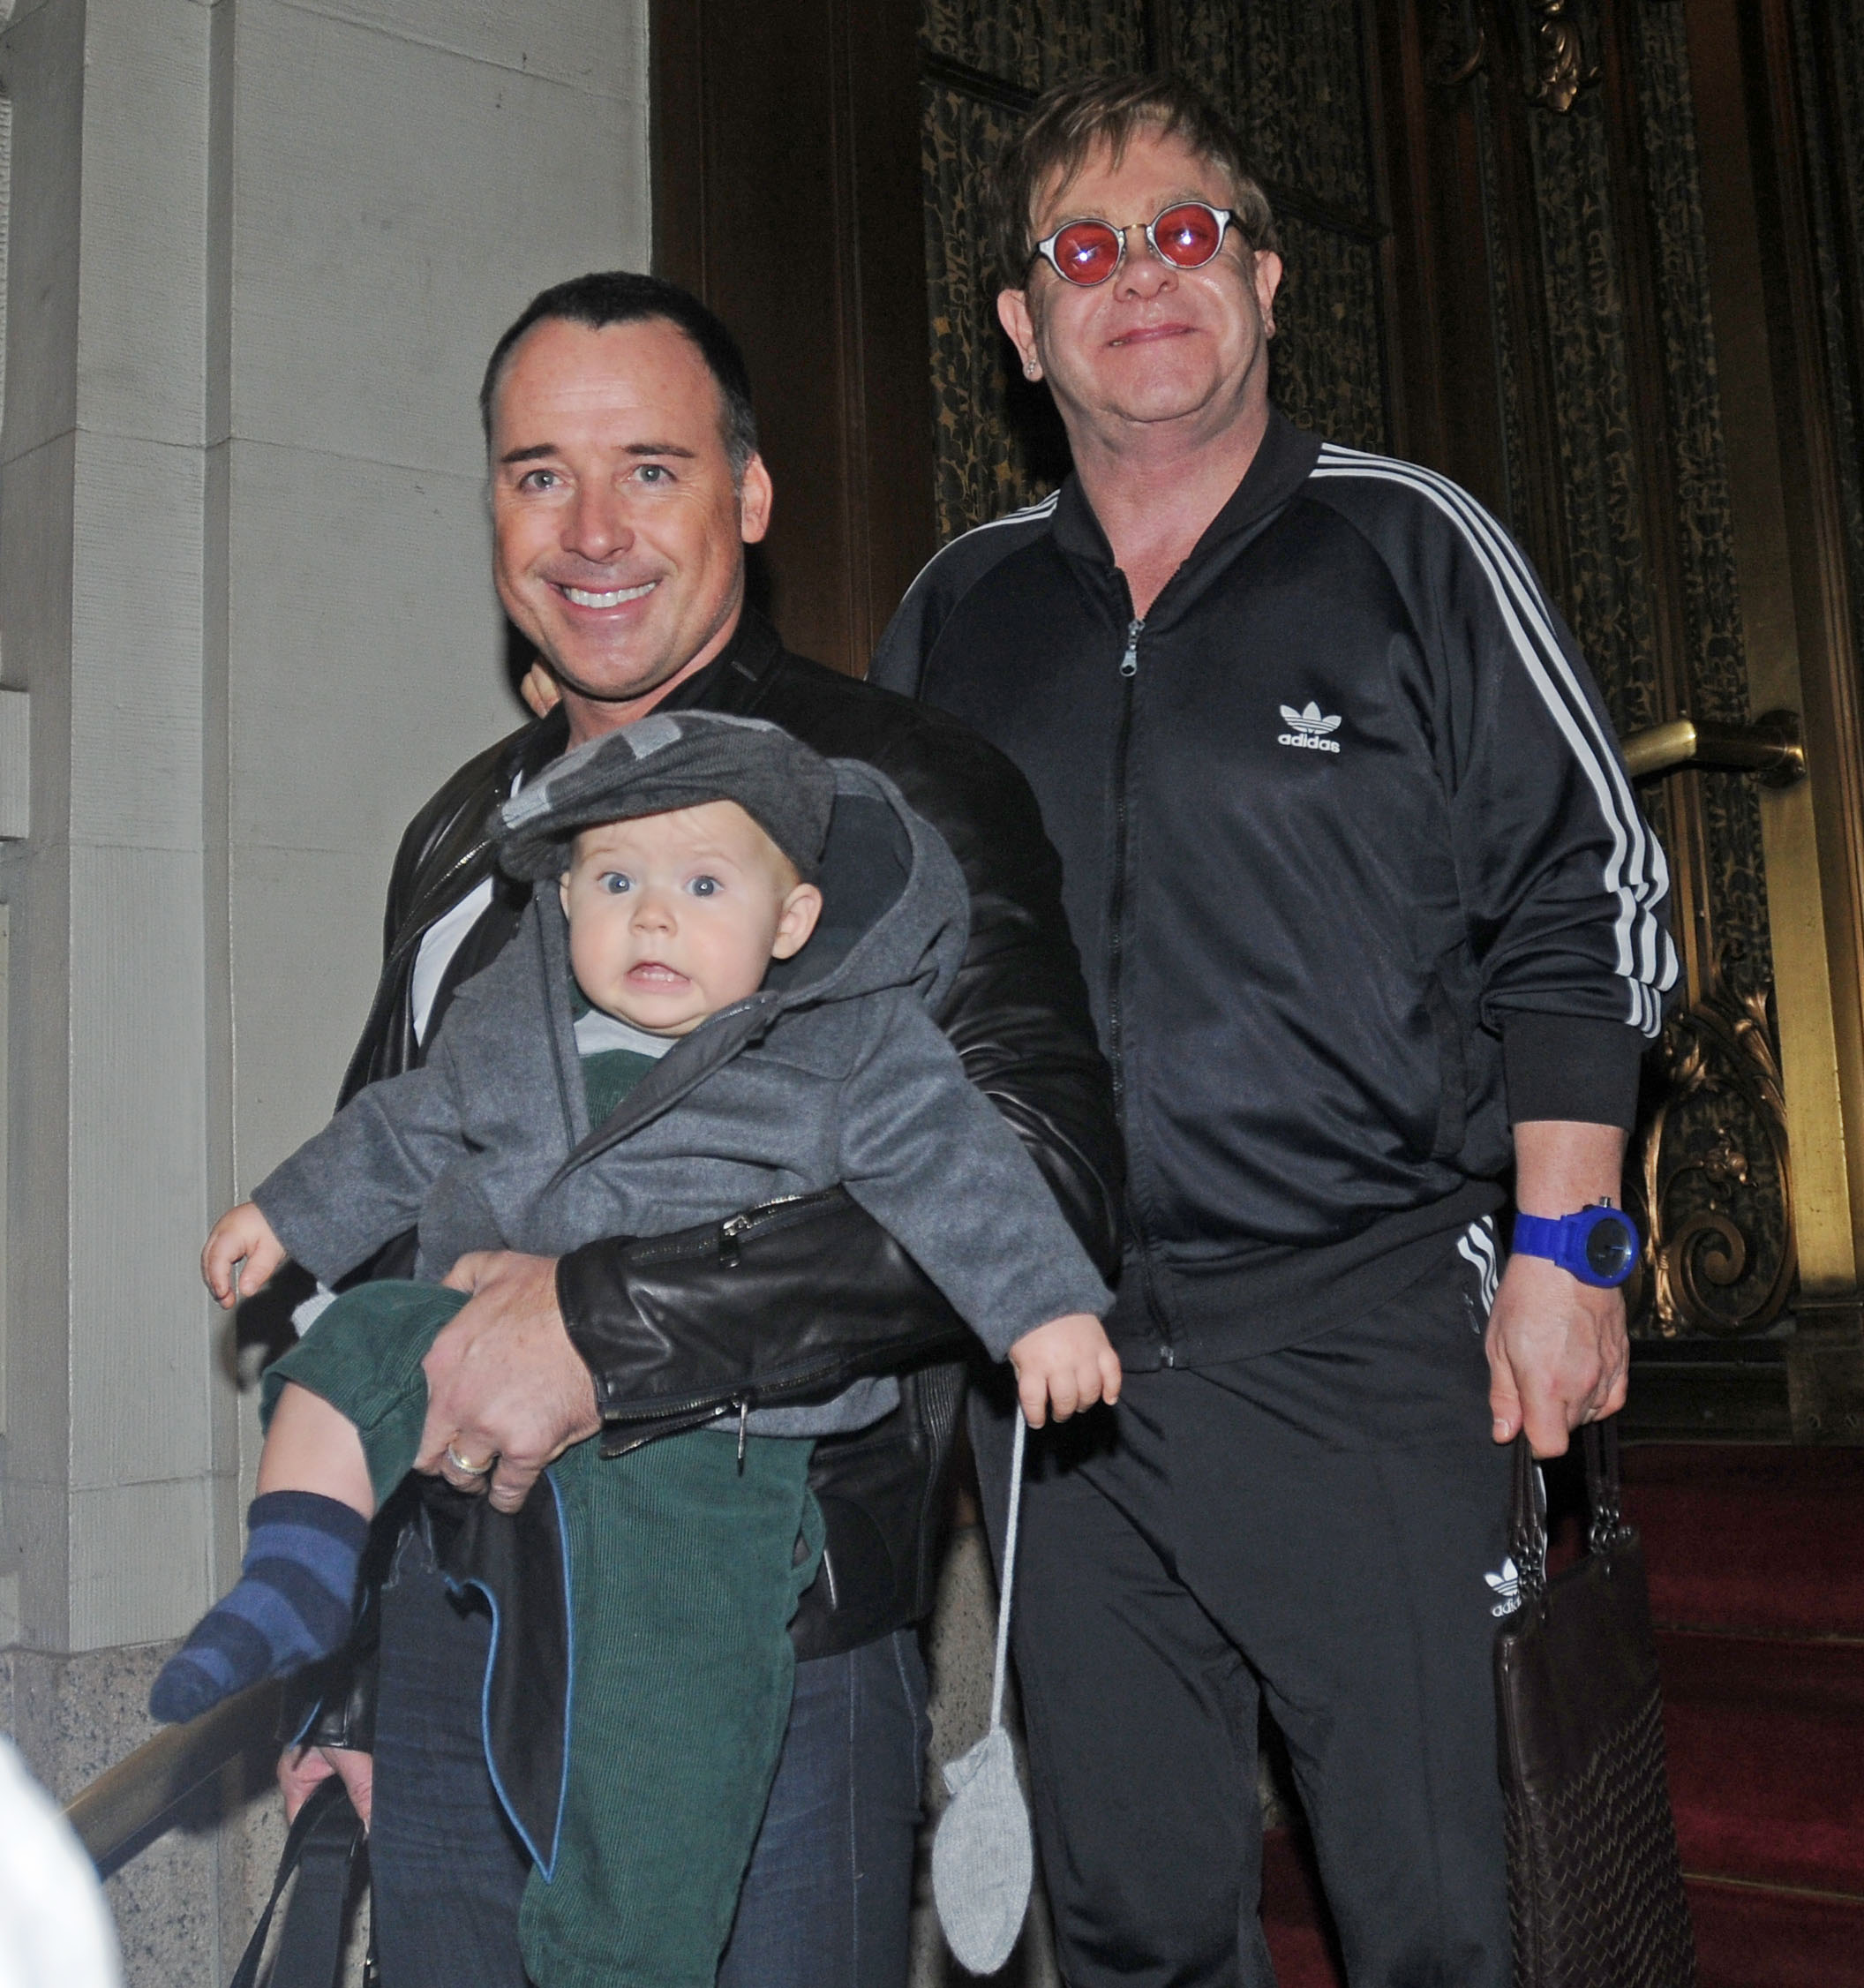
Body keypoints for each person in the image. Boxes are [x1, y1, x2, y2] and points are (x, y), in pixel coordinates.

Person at [869, 72, 1676, 1988]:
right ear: (1020, 325)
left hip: (1375, 1352)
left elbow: (1592, 894)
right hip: (1062, 1397)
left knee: (1444, 1927)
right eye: (1085, 249)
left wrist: (1568, 1252)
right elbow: (885, 974)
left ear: (1265, 277)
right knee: (1136, 1924)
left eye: (1186, 236)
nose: (1140, 278)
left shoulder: (1412, 547)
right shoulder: (957, 612)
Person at [277, 272, 1122, 1988]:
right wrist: (341, 1667)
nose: (591, 528)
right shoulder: (464, 839)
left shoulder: (907, 797)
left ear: (747, 494)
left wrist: (603, 1327)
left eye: (649, 469)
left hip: (761, 1639)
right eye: (537, 474)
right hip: (453, 1634)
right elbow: (377, 1238)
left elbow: (1042, 1183)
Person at [155, 714, 1117, 1987]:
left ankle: (623, 1953)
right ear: (562, 901)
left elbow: (962, 1170)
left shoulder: (843, 1040)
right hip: (473, 1454)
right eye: (617, 884)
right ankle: (292, 1576)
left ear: (791, 920)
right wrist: (286, 1212)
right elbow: (405, 1126)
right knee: (348, 1356)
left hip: (700, 1461)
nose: (653, 919)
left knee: (663, 1751)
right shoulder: (515, 1017)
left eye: (703, 886)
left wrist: (1039, 1306)